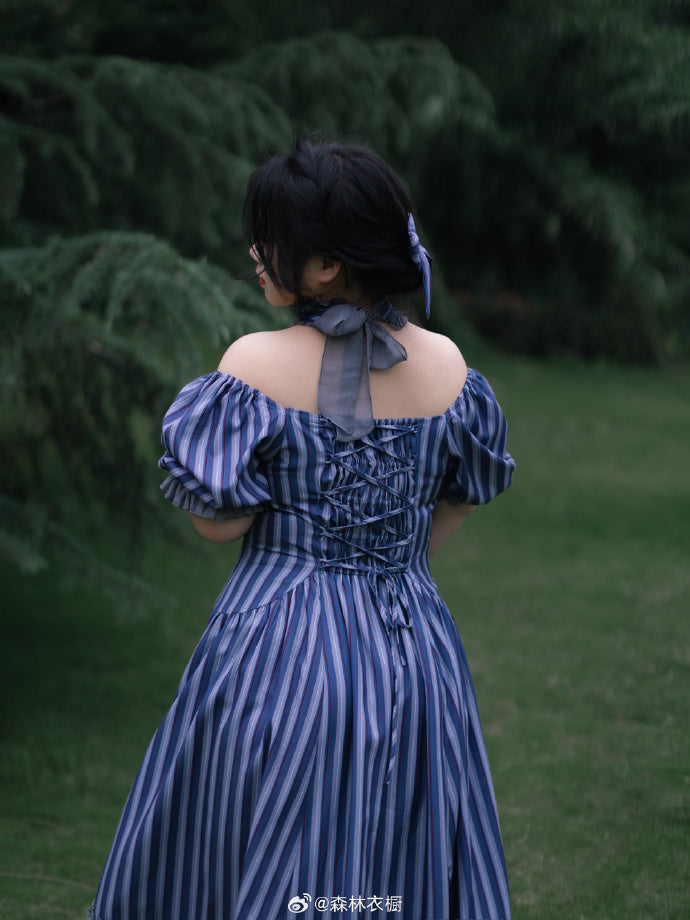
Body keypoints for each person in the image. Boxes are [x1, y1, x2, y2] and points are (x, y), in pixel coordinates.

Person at [89, 140, 515, 920]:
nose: (256, 254)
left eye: (270, 239)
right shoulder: (451, 368)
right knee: (396, 829)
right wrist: (383, 559)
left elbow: (218, 525)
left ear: (323, 266)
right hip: (413, 649)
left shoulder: (254, 364)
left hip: (282, 645)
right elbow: (453, 508)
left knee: (266, 827)